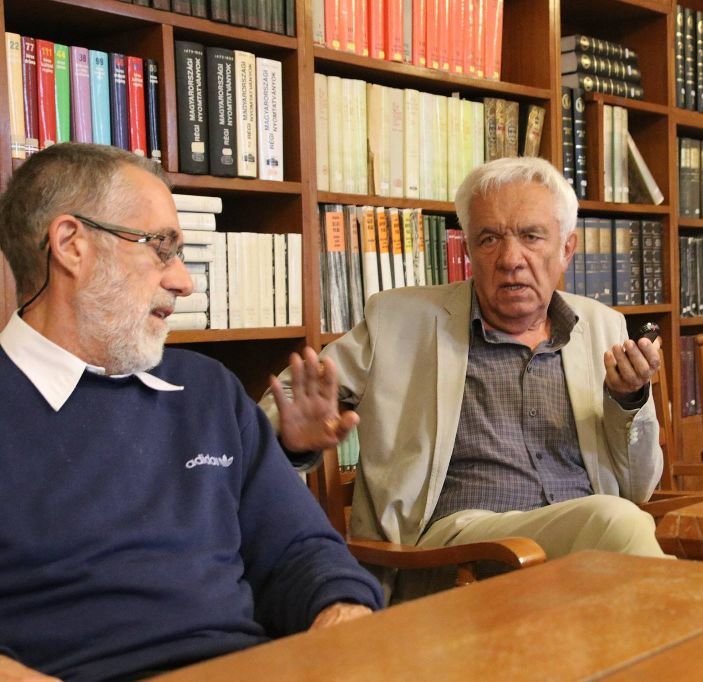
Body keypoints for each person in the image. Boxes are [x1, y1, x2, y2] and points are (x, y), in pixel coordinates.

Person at [0, 143, 383, 682]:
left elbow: (300, 551)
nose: (184, 281)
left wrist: (342, 617)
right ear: (71, 245)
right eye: (161, 247)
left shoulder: (206, 389)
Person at [260, 156, 667, 601]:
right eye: (489, 239)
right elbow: (283, 400)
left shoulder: (602, 326)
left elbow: (640, 486)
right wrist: (293, 438)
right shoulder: (399, 320)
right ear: (468, 249)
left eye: (531, 236)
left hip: (580, 553)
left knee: (619, 536)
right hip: (456, 554)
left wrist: (628, 400)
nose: (510, 259)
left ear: (567, 248)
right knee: (617, 524)